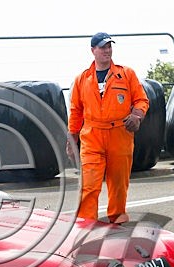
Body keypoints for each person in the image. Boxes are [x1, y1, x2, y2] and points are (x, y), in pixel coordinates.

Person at [67, 32, 150, 224]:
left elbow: (141, 99)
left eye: (109, 46)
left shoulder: (126, 74)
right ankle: (86, 225)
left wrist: (137, 116)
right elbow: (76, 111)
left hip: (120, 134)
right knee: (89, 184)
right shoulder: (82, 79)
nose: (107, 50)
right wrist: (72, 138)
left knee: (119, 183)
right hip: (92, 136)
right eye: (102, 47)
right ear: (93, 50)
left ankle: (117, 219)